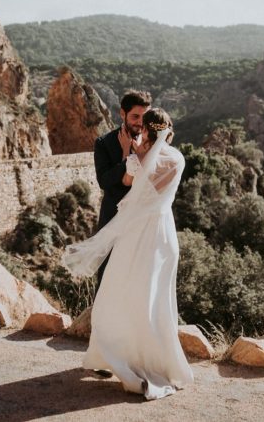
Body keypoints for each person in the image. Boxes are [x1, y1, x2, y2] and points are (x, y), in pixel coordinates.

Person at [63, 108, 193, 400]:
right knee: (150, 296)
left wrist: (130, 153)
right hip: (161, 233)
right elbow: (152, 186)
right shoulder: (177, 158)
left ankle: (124, 357)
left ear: (147, 131)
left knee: (124, 291)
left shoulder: (140, 160)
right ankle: (148, 359)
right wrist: (137, 154)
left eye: (143, 129)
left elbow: (133, 184)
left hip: (141, 233)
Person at [92, 90, 151, 288]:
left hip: (142, 216)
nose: (140, 123)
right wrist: (126, 158)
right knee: (108, 269)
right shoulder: (103, 143)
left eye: (145, 117)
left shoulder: (153, 144)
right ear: (123, 114)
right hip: (113, 214)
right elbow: (104, 182)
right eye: (135, 116)